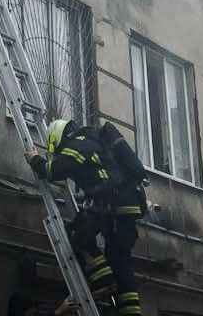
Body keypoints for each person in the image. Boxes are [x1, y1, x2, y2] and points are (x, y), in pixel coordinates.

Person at [27, 119, 145, 316]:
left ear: (57, 138)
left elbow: (55, 170)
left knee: (76, 232)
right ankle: (131, 312)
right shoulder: (95, 139)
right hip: (128, 205)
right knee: (120, 261)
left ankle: (103, 283)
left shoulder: (77, 144)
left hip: (111, 206)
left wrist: (35, 160)